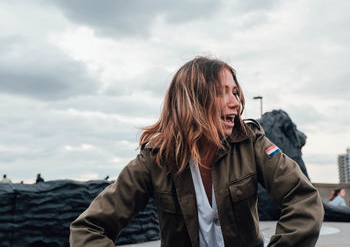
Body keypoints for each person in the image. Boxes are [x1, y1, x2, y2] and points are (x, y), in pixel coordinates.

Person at [70, 57, 324, 247]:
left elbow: (303, 200)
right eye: (221, 92)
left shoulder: (252, 143)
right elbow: (89, 228)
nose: (235, 102)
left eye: (235, 92)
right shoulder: (155, 158)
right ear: (193, 101)